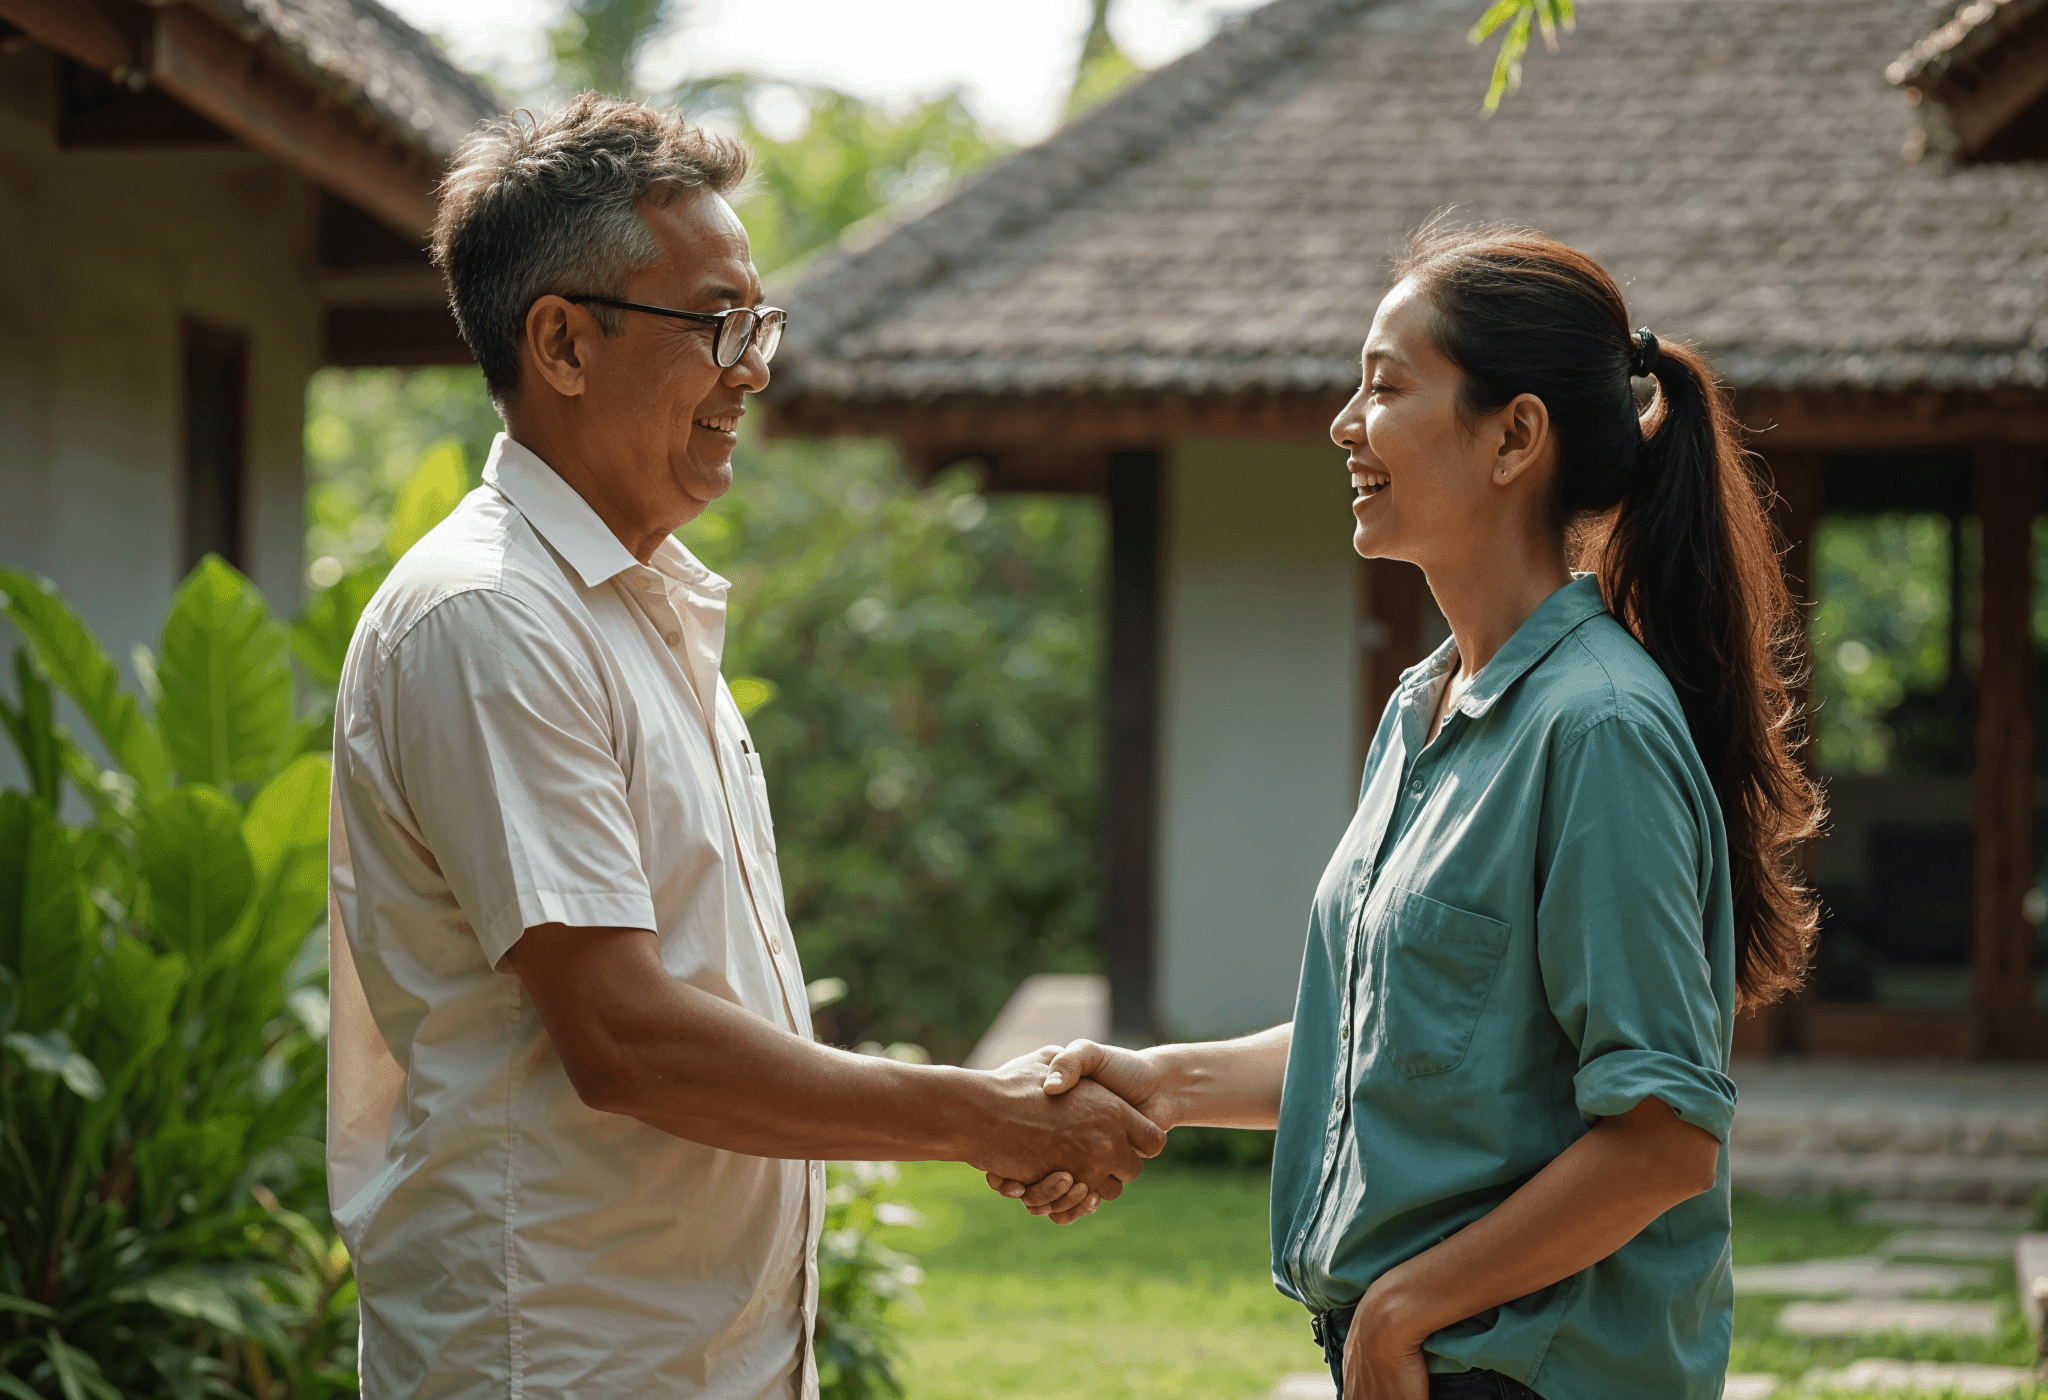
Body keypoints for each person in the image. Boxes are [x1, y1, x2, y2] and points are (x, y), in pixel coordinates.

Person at [325, 94, 1161, 1400]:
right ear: (561, 343)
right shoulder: (495, 617)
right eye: (718, 322)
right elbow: (628, 1037)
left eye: (757, 323)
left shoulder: (633, 610)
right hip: (560, 1358)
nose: (754, 366)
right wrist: (980, 1116)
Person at [990, 220, 1823, 1400]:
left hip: (1528, 1371)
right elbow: (1391, 1037)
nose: (1343, 421)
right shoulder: (1425, 703)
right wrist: (1158, 1081)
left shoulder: (1595, 731)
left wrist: (1401, 1309)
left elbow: (1659, 1137)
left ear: (1513, 435)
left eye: (1384, 388)